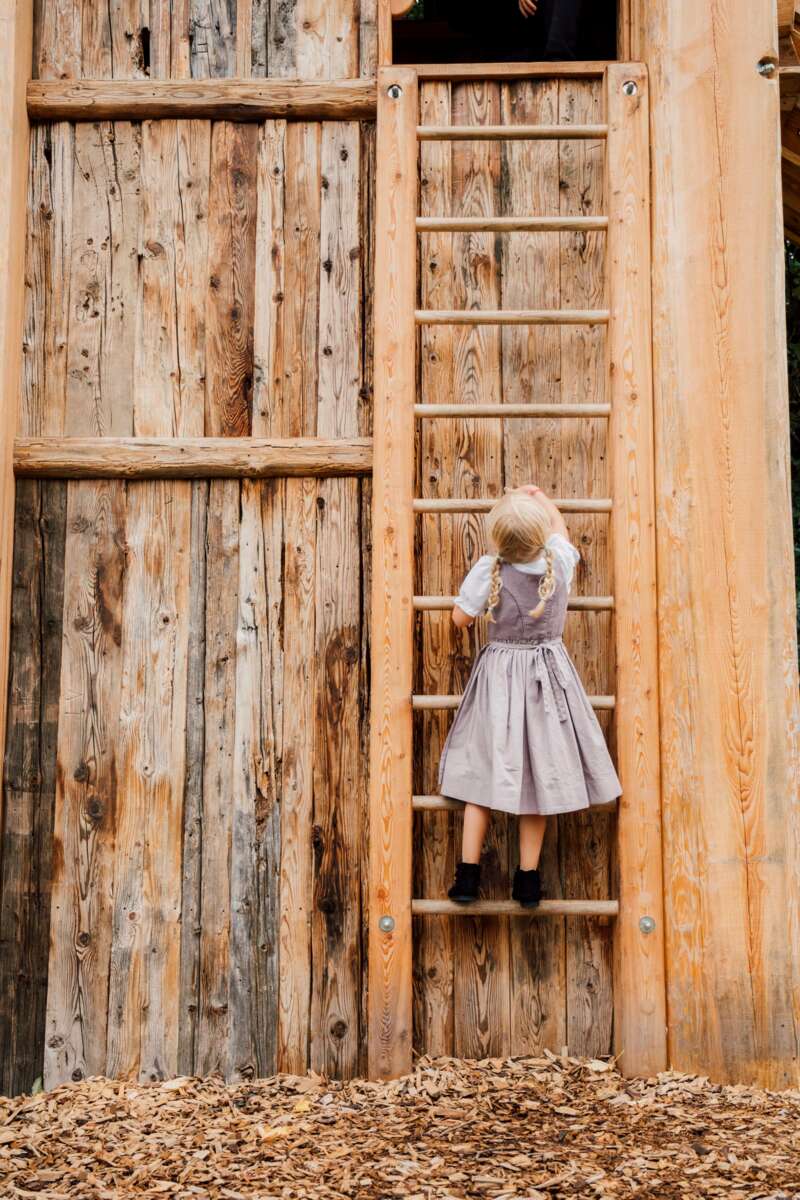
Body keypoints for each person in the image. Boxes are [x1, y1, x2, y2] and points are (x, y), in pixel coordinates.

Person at [439, 486, 621, 909]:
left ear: (496, 538)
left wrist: (471, 607)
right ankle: (528, 880)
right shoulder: (560, 559)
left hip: (501, 679)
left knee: (483, 777)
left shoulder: (491, 569)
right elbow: (561, 529)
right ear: (542, 533)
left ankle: (467, 876)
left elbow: (460, 618)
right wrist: (540, 496)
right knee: (537, 784)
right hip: (547, 676)